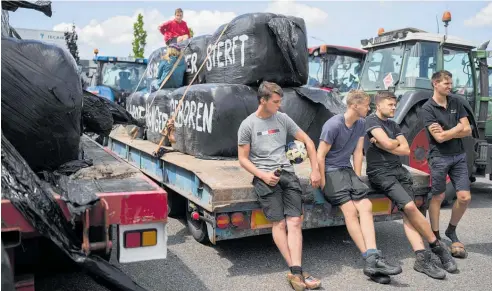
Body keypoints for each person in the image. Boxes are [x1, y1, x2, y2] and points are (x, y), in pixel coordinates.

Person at [237, 81, 322, 291]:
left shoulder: (282, 118)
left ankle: (296, 272)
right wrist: (263, 176)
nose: (279, 105)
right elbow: (243, 159)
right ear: (263, 100)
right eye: (275, 101)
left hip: (287, 174)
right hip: (265, 177)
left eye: (280, 101)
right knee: (280, 224)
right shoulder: (247, 125)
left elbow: (309, 142)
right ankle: (297, 271)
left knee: (294, 221)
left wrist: (316, 169)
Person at [365, 91, 458, 279]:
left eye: (394, 105)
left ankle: (421, 259)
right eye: (390, 104)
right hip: (381, 172)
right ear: (379, 105)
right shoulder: (371, 121)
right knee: (408, 206)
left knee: (411, 212)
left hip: (399, 170)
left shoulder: (392, 124)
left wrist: (386, 144)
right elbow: (388, 143)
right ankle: (437, 247)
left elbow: (405, 149)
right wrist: (389, 144)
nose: (394, 108)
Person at [316, 89, 402, 284]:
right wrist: (322, 183)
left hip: (347, 171)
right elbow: (320, 155)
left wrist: (357, 175)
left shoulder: (361, 123)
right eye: (366, 105)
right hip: (330, 172)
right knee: (349, 210)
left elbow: (357, 152)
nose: (369, 108)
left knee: (366, 206)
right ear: (355, 105)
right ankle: (370, 259)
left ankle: (373, 256)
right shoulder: (333, 125)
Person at [421, 70, 472, 259]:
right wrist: (458, 128)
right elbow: (438, 139)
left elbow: (467, 130)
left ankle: (451, 230)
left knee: (464, 197)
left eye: (450, 83)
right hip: (439, 156)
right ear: (435, 83)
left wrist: (451, 131)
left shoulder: (456, 102)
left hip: (458, 155)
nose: (450, 87)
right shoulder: (427, 108)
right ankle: (435, 235)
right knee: (438, 196)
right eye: (446, 84)